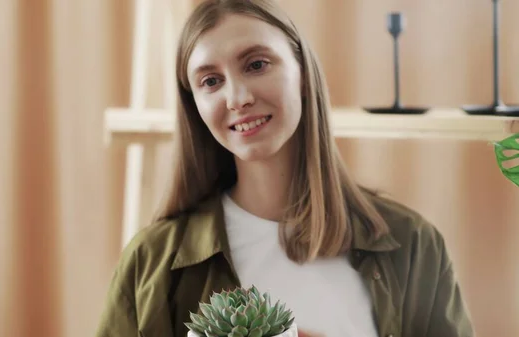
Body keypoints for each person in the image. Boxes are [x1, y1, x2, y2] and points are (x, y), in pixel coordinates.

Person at [96, 0, 474, 336]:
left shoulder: (414, 246)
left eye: (257, 65)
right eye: (211, 81)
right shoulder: (151, 261)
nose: (238, 98)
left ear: (304, 75)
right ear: (194, 104)